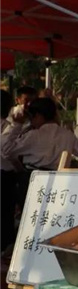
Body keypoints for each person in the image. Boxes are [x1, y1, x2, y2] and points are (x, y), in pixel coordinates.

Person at [2, 97, 78, 171]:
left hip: (34, 177)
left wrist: (16, 124)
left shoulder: (33, 135)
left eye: (31, 118)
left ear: (37, 116)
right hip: (60, 178)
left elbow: (5, 149)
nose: (31, 122)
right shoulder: (68, 135)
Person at [1, 90, 17, 253]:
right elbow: (7, 151)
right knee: (5, 213)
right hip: (5, 175)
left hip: (5, 174)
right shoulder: (7, 127)